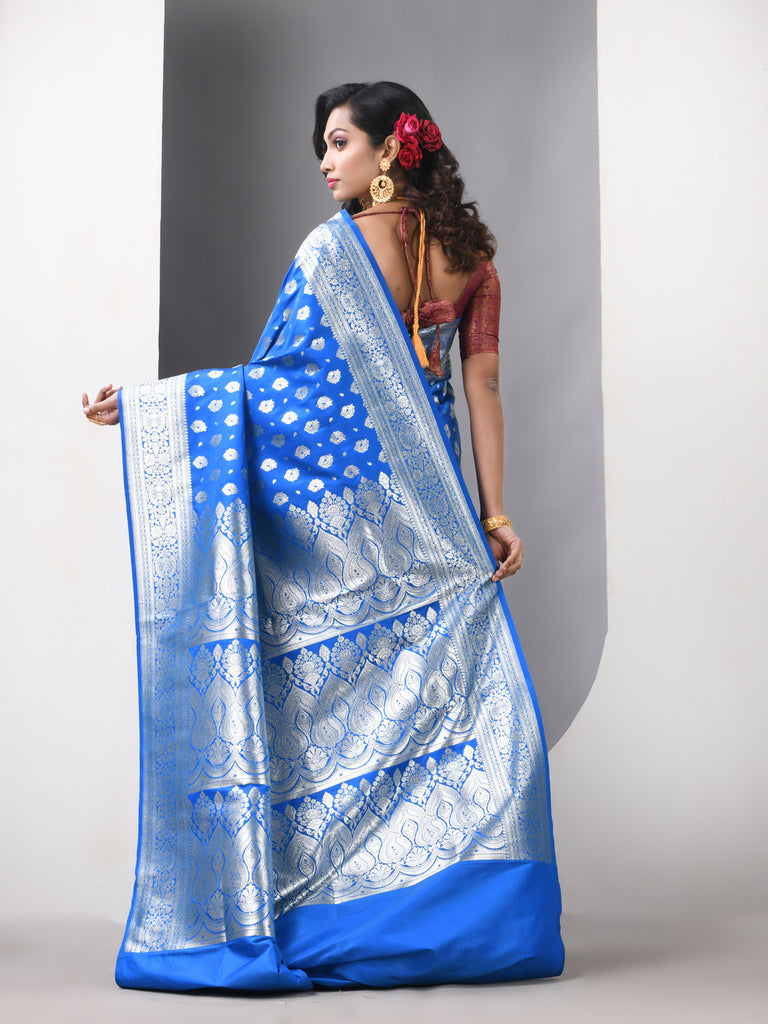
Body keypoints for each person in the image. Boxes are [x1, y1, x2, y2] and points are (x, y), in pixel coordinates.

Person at [83, 81, 564, 992]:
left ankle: (333, 907)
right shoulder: (474, 261)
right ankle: (472, 920)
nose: (324, 161)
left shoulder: (329, 253)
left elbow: (279, 389)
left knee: (330, 709)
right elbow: (484, 390)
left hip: (349, 522)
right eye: (323, 145)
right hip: (435, 524)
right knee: (452, 708)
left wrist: (151, 408)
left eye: (340, 141)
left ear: (390, 151)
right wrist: (494, 514)